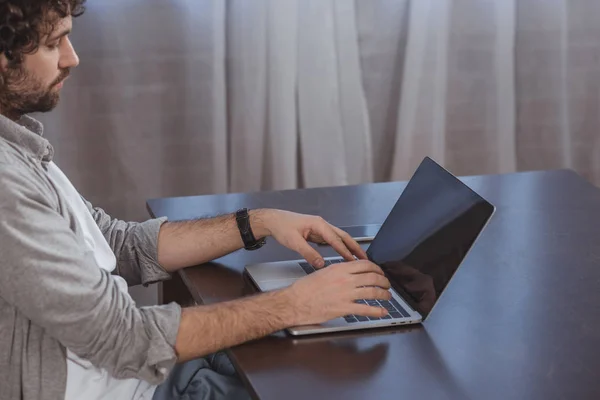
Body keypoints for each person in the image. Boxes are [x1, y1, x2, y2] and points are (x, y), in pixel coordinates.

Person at [0, 2, 392, 400]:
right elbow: (125, 340)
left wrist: (258, 222)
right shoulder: (6, 186)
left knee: (326, 359)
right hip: (132, 385)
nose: (72, 58)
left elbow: (116, 245)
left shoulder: (17, 144)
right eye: (53, 44)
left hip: (146, 373)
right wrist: (293, 304)